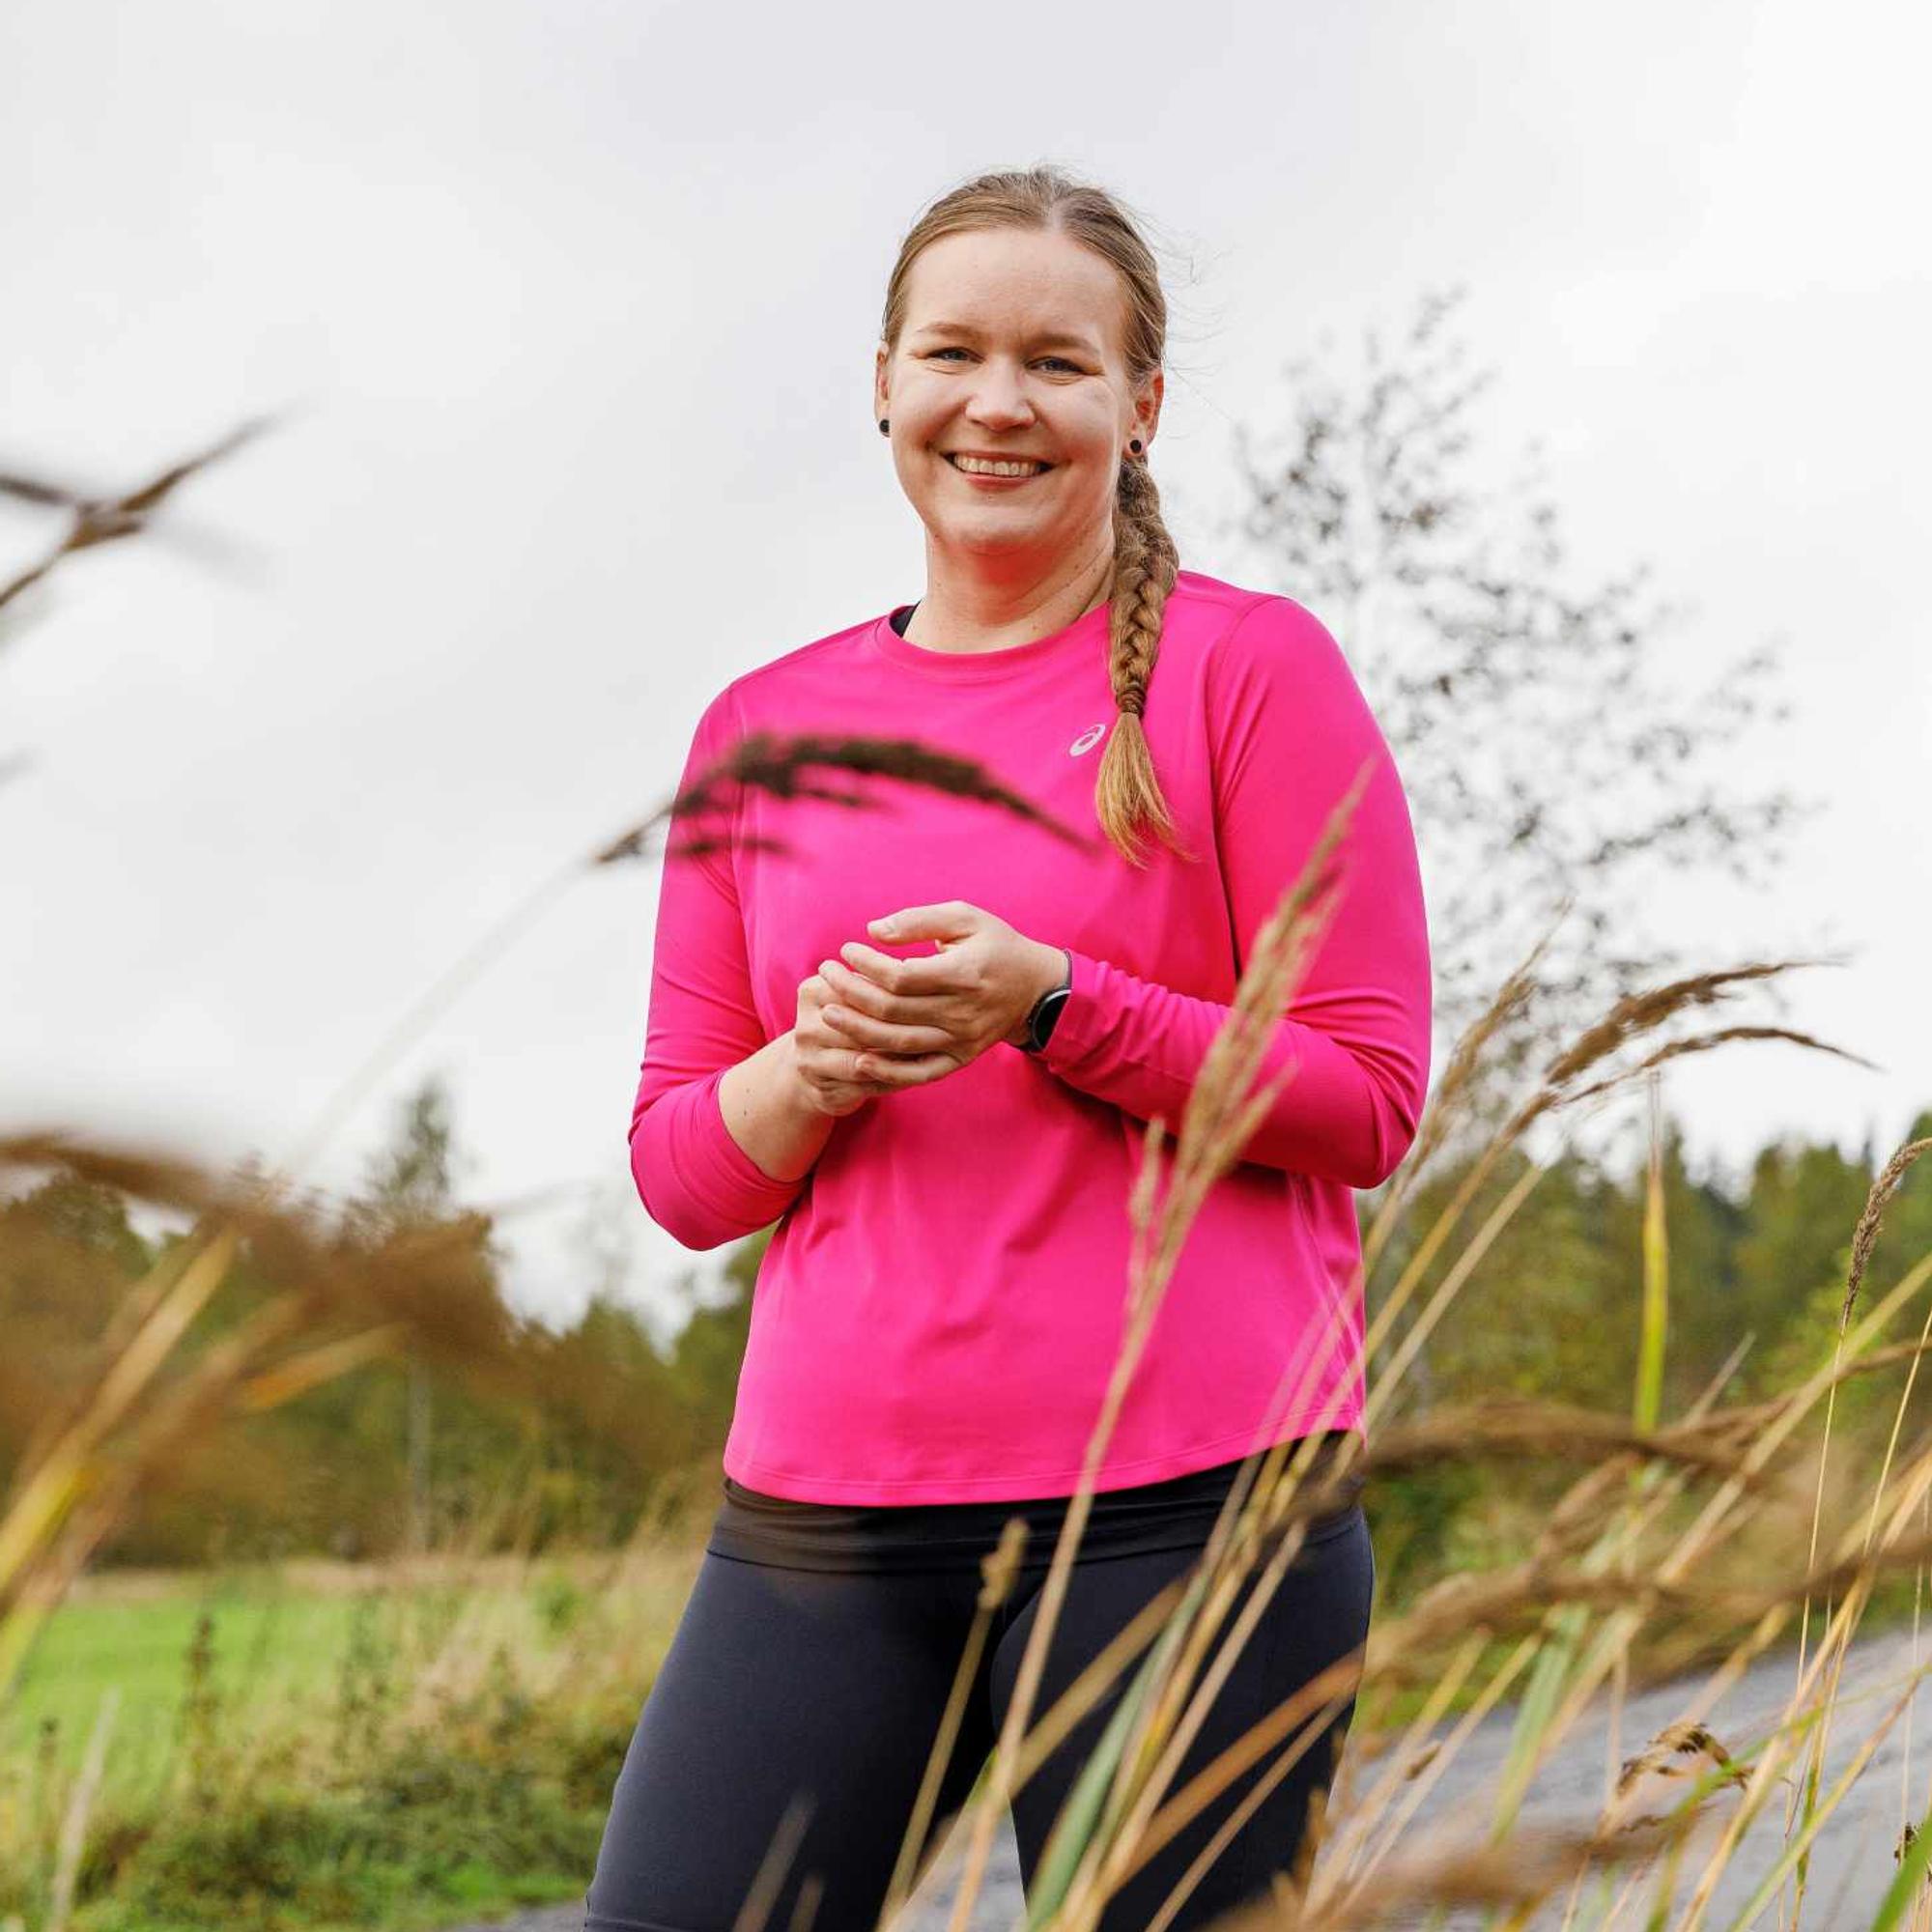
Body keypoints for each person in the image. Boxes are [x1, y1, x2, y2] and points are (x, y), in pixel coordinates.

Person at [583, 164, 1433, 1932]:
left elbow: (1364, 1096)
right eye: (954, 353)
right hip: (824, 1513)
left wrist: (1058, 1001)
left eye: (1056, 362)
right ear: (883, 382)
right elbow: (681, 1173)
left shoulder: (1247, 675)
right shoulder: (763, 727)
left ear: (1140, 404)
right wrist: (809, 1067)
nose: (998, 403)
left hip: (1191, 1511)